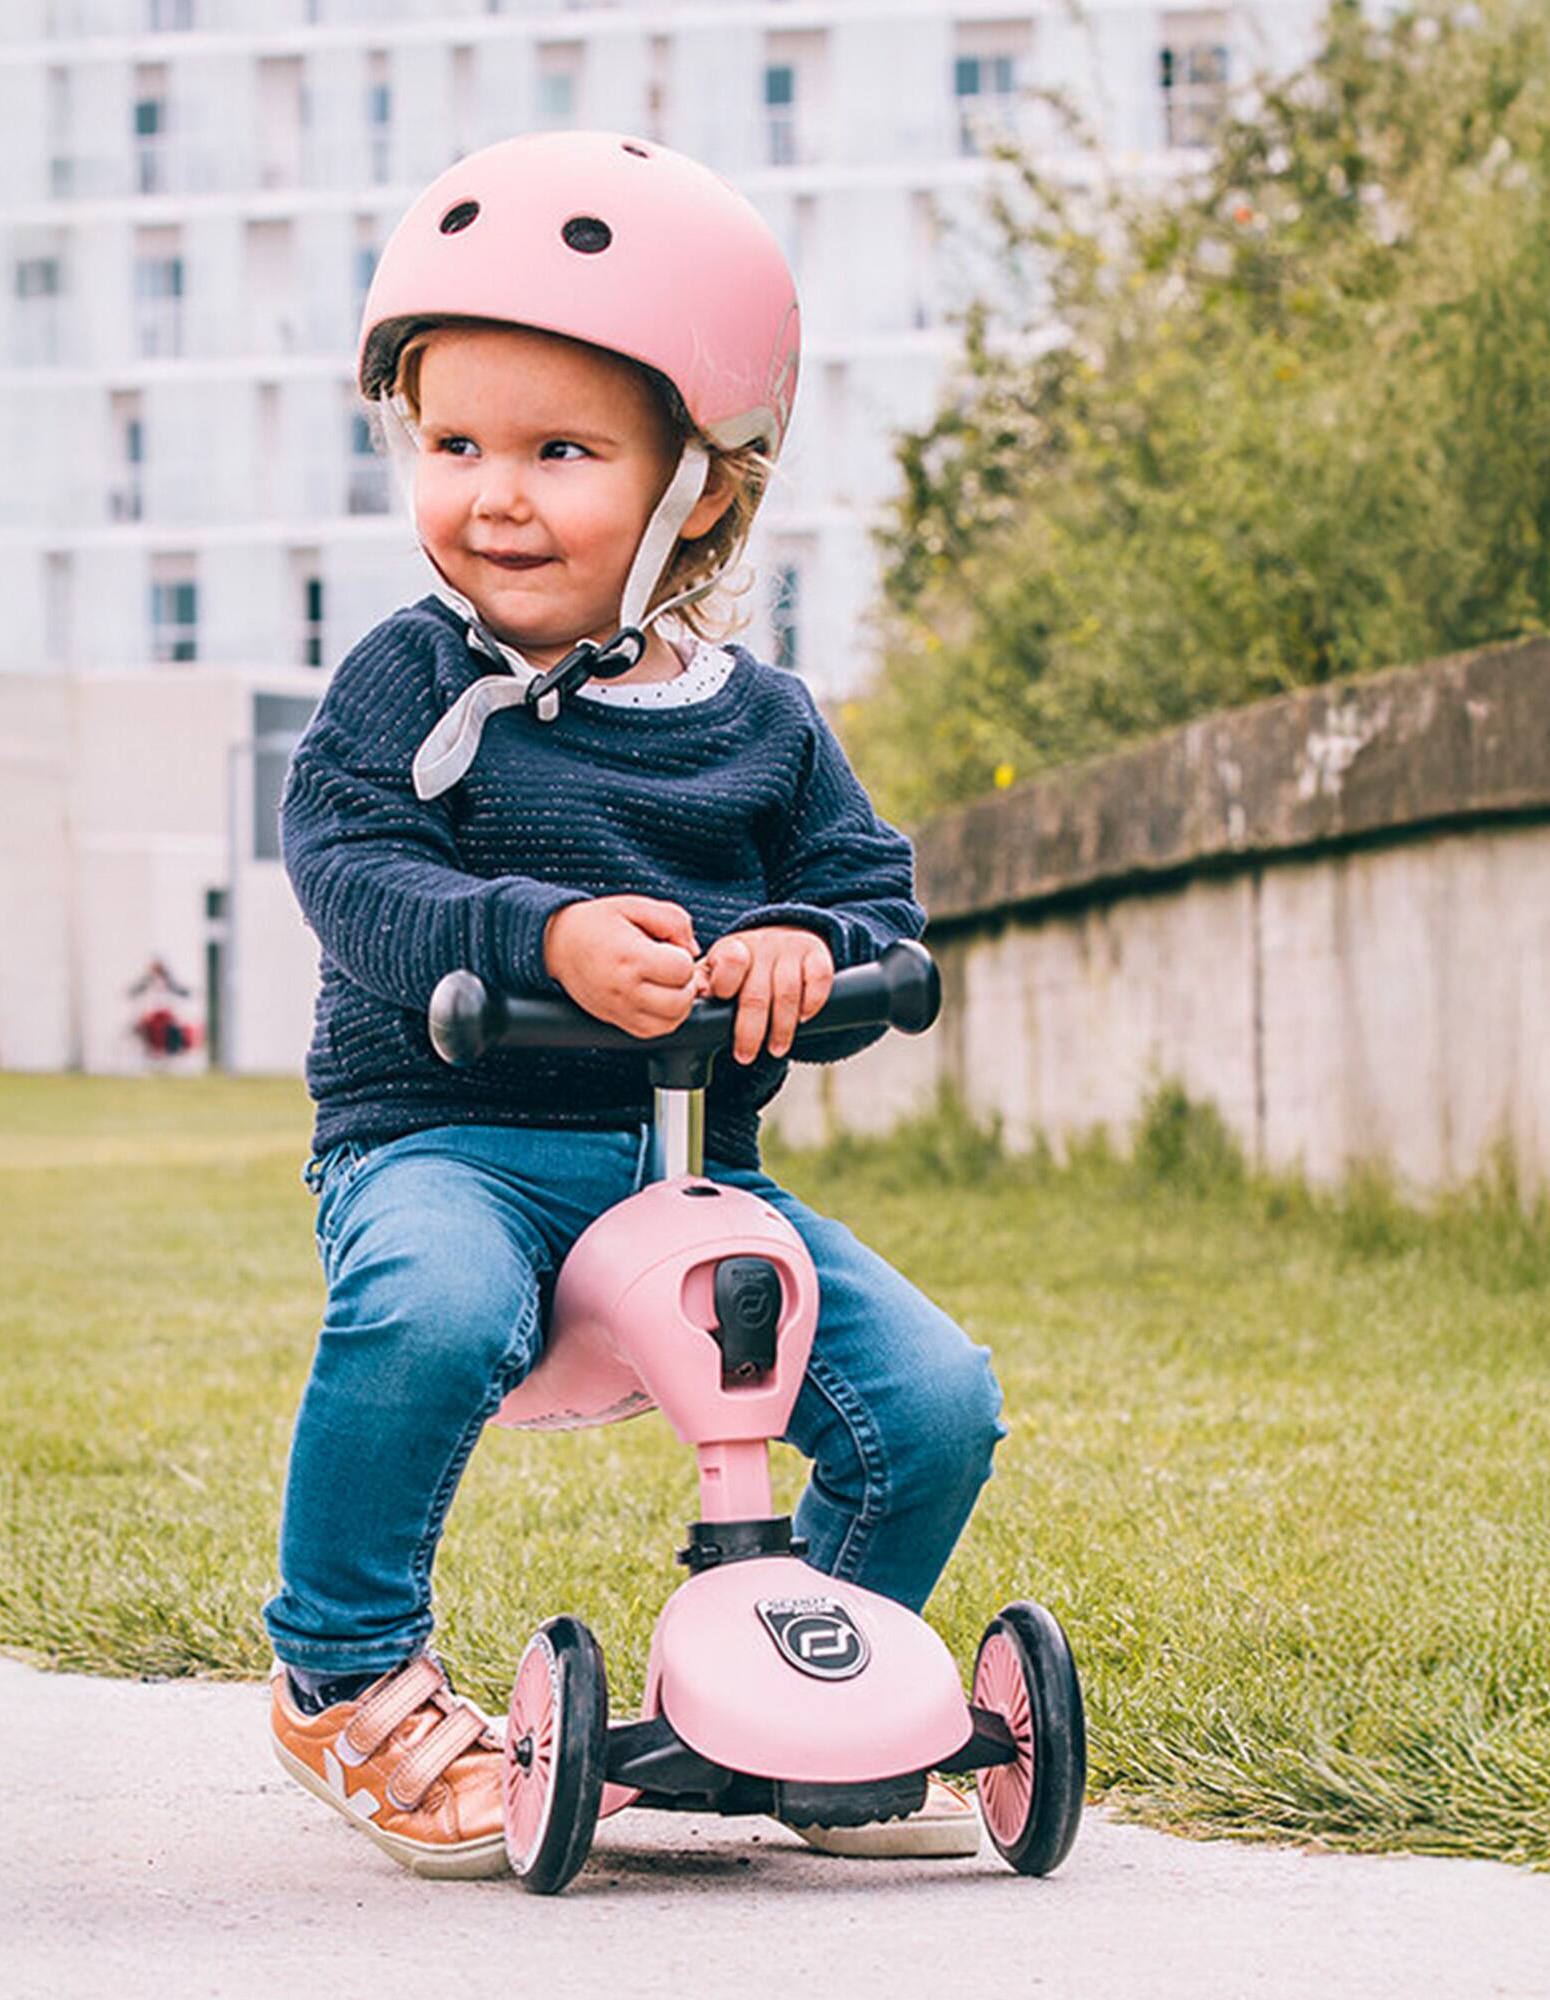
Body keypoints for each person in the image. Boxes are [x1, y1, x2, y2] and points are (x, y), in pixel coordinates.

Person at [266, 130, 1006, 1879]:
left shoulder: (768, 723)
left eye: (560, 450)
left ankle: (799, 1714)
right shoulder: (415, 680)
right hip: (444, 1141)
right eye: (453, 443)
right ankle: (347, 1676)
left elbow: (869, 901)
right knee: (430, 1308)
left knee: (937, 1394)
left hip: (683, 1171)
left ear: (703, 487)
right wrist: (539, 939)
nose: (493, 495)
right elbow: (348, 867)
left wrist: (804, 958)